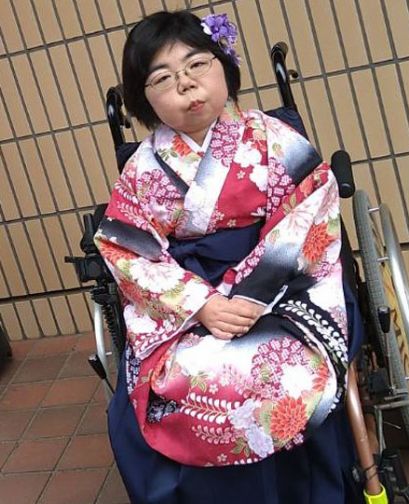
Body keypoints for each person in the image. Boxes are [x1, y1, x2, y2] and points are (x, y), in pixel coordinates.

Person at [95, 9, 364, 504]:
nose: (186, 85)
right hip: (188, 302)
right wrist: (202, 305)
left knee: (280, 374)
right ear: (143, 98)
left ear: (224, 67)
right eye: (162, 78)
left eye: (197, 65)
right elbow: (127, 250)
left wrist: (252, 294)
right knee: (182, 386)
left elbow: (311, 212)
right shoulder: (142, 171)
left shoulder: (273, 139)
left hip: (283, 288)